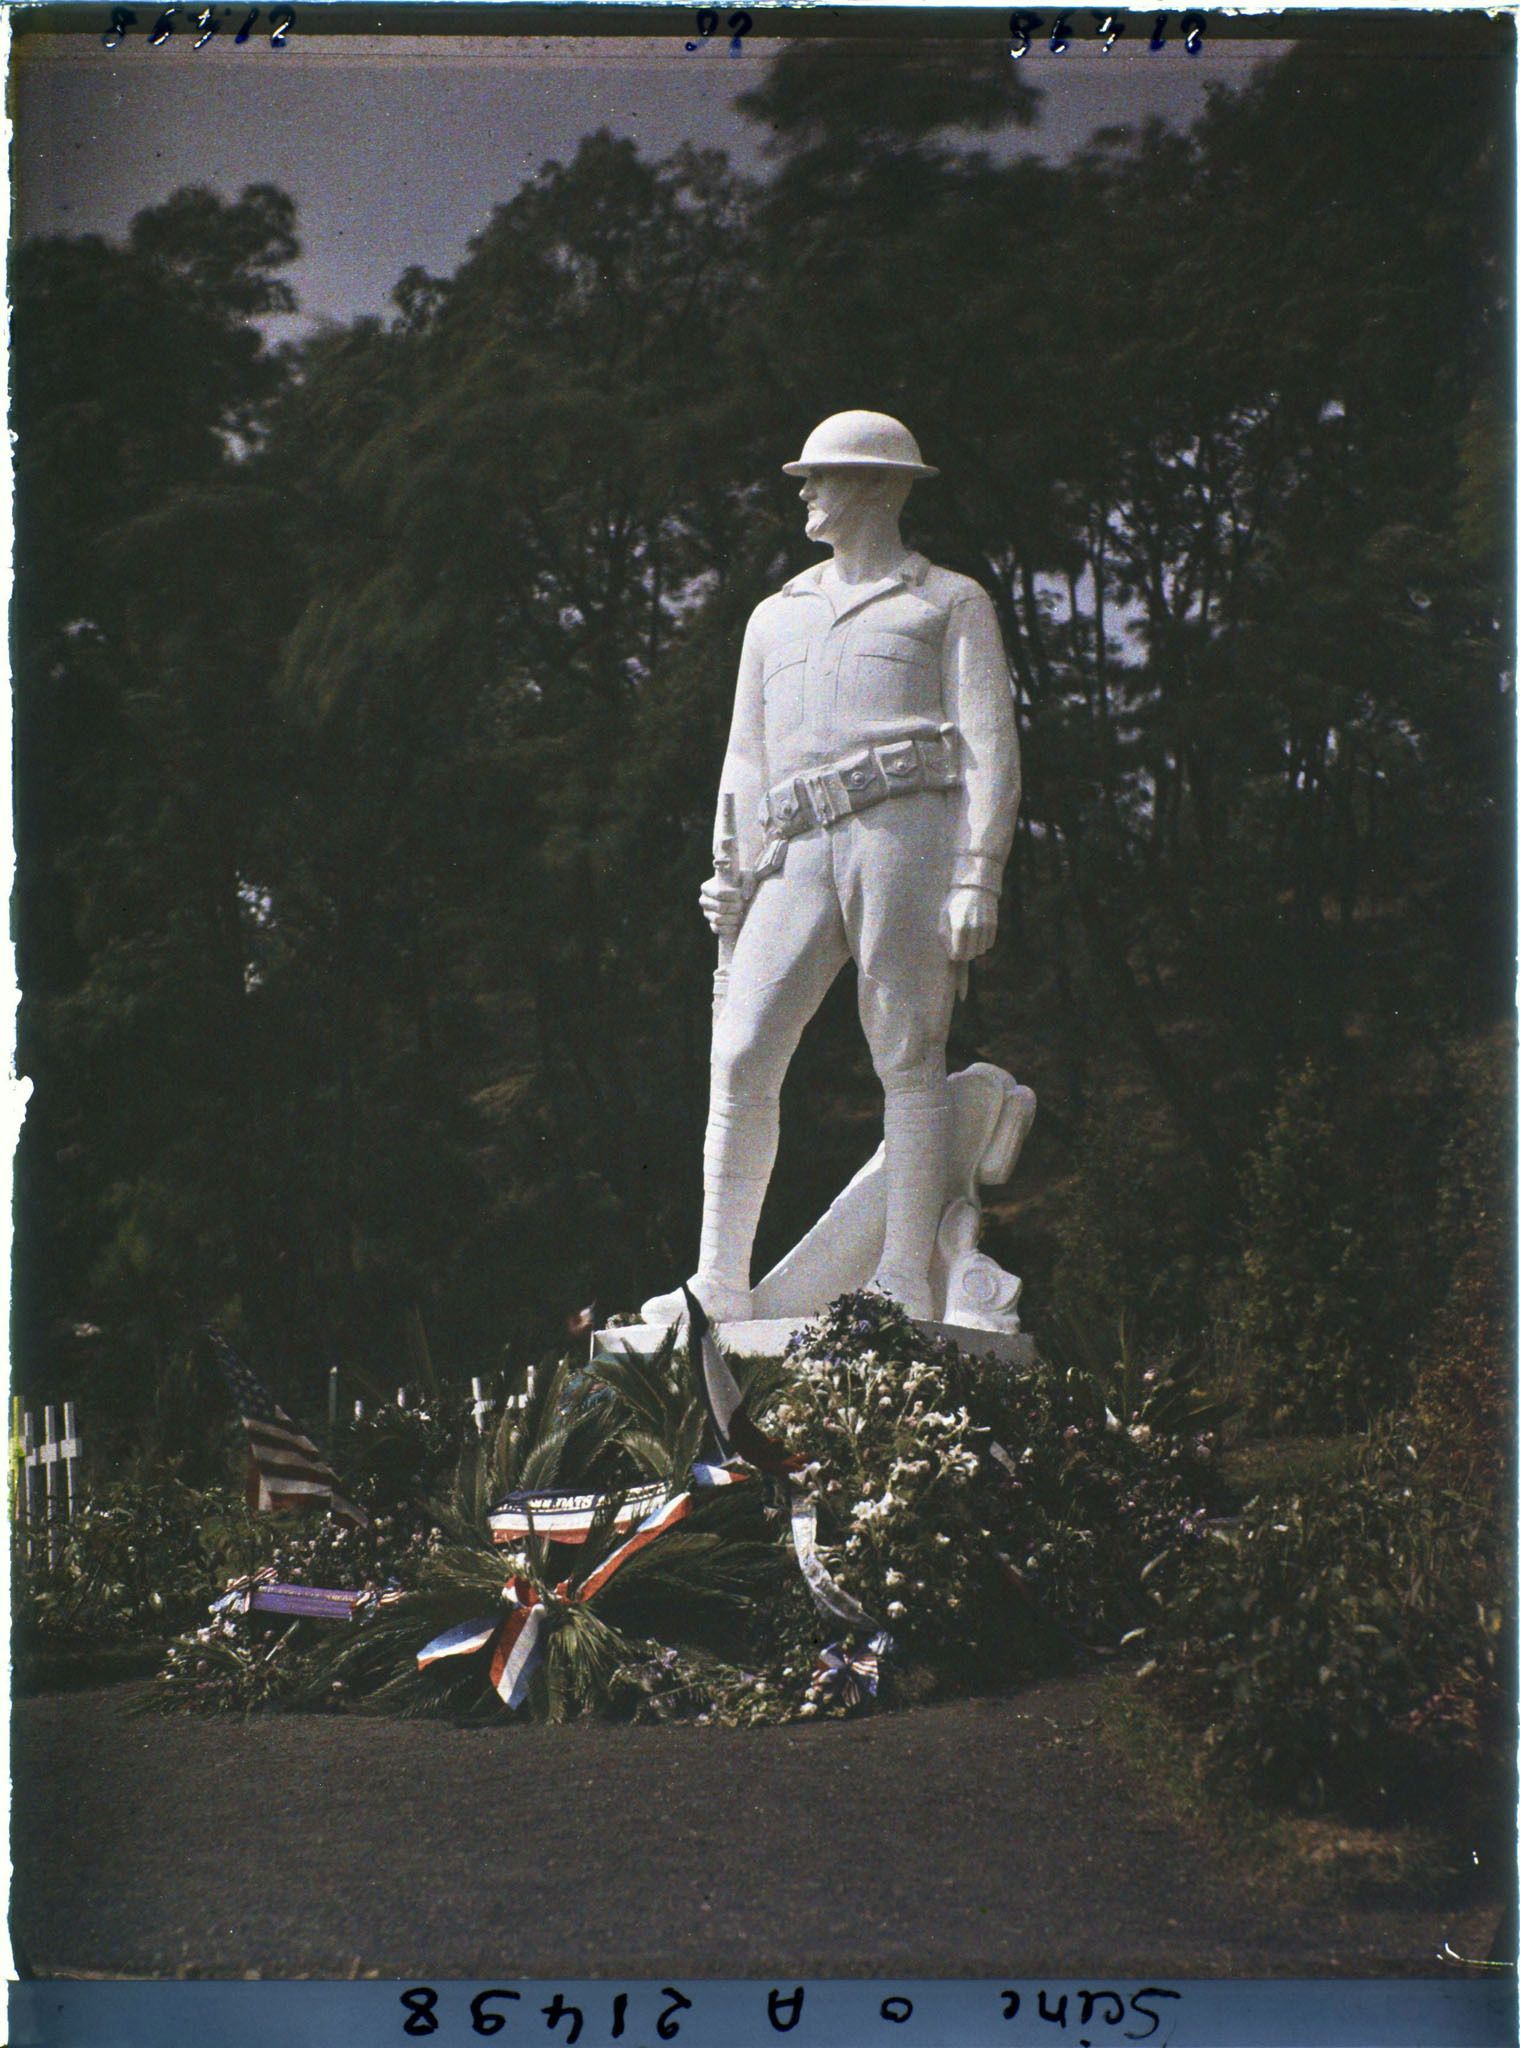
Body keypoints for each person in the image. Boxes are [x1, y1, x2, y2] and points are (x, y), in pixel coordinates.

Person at [643, 410, 1021, 1325]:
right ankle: (719, 1281)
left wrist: (978, 870)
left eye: (826, 476)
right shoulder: (775, 616)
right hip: (794, 845)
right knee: (738, 1054)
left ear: (882, 487)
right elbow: (745, 754)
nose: (807, 492)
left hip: (904, 831)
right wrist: (727, 867)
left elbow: (989, 744)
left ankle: (900, 1271)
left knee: (906, 1049)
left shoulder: (948, 601)